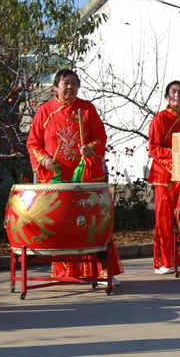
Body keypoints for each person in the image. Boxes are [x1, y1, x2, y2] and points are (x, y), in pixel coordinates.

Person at [26, 68, 122, 283]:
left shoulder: (87, 109)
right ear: (55, 87)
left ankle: (103, 271)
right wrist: (45, 161)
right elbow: (33, 143)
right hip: (58, 177)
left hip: (84, 175)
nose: (70, 87)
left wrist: (90, 149)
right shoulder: (45, 111)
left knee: (93, 222)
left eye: (74, 83)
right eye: (65, 83)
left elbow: (100, 138)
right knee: (62, 224)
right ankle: (66, 273)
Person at [147, 80, 180, 274]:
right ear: (167, 97)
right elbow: (154, 148)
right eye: (173, 92)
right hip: (164, 176)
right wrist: (176, 155)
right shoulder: (160, 119)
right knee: (165, 218)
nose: (177, 95)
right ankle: (164, 261)